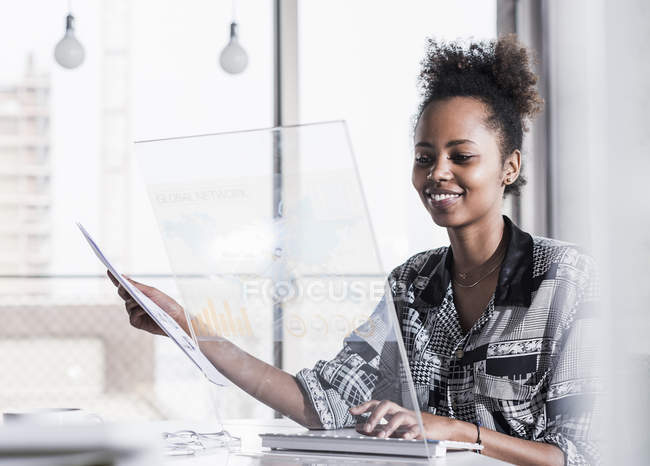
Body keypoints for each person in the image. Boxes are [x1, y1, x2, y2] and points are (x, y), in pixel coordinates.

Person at [109, 36, 599, 466]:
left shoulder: (566, 278)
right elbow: (318, 401)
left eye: (462, 156)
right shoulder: (411, 285)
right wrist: (190, 330)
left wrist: (458, 434)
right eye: (424, 158)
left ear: (509, 167)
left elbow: (579, 454)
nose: (438, 173)